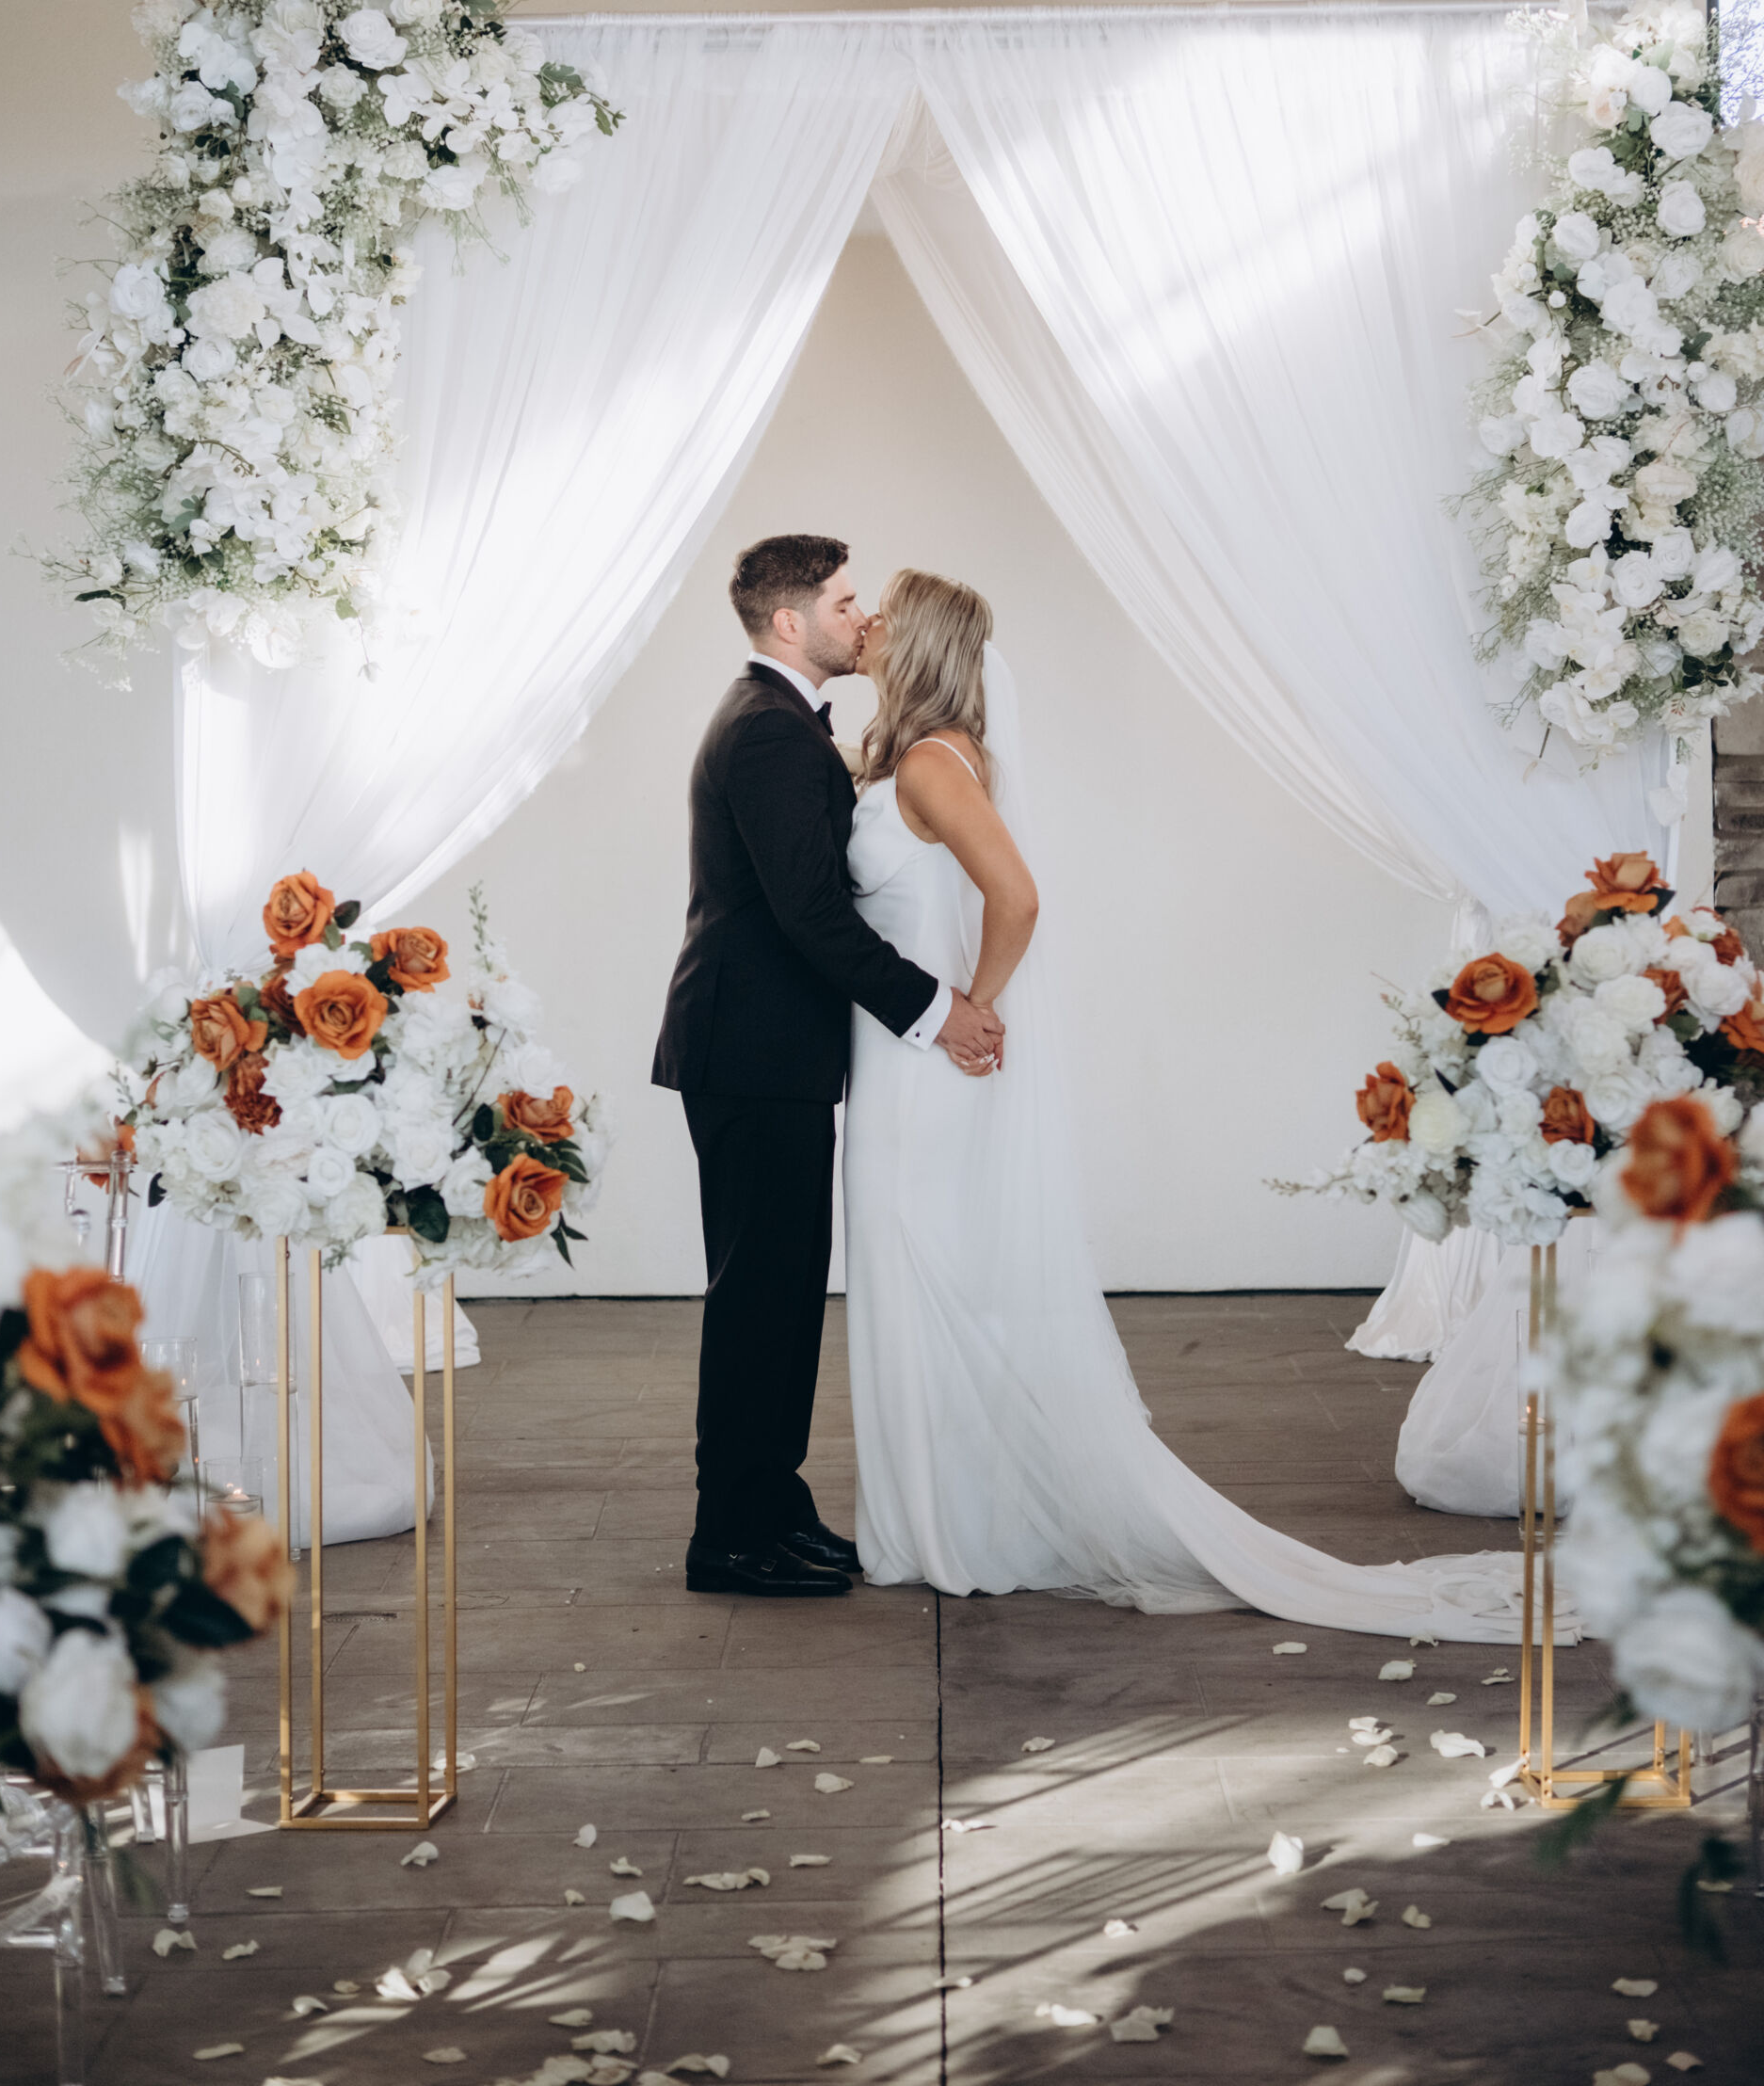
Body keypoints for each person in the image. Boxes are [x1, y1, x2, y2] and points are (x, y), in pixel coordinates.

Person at [841, 567, 1555, 1640]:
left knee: (923, 1277)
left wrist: (971, 1007)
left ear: (921, 644)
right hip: (905, 1059)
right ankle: (954, 1512)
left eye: (886, 613)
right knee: (929, 1280)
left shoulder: (934, 765)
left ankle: (951, 1526)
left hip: (922, 1071)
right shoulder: (932, 756)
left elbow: (1018, 898)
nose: (869, 623)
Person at [653, 535, 1004, 1598]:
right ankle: (730, 1535)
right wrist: (938, 1010)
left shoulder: (787, 720)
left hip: (772, 1055)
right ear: (790, 622)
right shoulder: (768, 728)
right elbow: (811, 915)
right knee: (759, 1298)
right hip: (752, 1054)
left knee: (783, 1295)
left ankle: (774, 1505)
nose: (862, 620)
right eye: (846, 603)